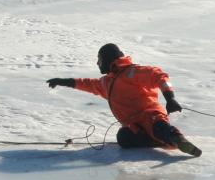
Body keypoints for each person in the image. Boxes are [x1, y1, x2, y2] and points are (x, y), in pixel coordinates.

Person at [46, 43, 202, 156]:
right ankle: (159, 141)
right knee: (123, 138)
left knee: (158, 127)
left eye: (99, 60)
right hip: (134, 126)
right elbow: (86, 83)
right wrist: (62, 81)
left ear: (107, 60)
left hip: (150, 116)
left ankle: (177, 139)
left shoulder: (132, 72)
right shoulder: (106, 83)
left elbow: (160, 76)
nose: (97, 64)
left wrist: (170, 98)